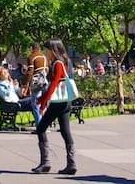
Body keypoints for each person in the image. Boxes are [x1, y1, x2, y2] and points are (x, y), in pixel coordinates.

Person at [33, 38, 77, 175]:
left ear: (53, 50)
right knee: (65, 131)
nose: (46, 52)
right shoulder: (65, 62)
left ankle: (45, 162)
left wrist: (43, 101)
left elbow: (53, 85)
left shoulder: (58, 63)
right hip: (66, 100)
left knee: (41, 129)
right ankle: (71, 163)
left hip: (58, 102)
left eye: (47, 50)